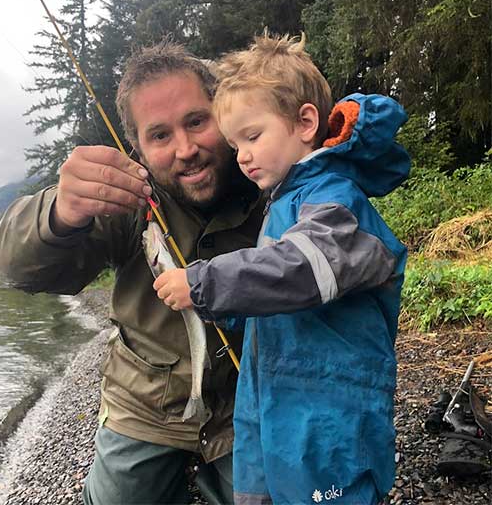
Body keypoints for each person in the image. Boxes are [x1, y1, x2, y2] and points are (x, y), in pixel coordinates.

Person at [0, 40, 265, 505]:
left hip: (252, 405)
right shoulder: (126, 199)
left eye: (197, 121)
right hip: (144, 405)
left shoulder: (269, 175)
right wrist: (58, 211)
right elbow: (12, 266)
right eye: (159, 136)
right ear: (136, 148)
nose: (186, 149)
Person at [155, 32, 411, 505]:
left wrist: (204, 282)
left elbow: (304, 269)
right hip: (270, 401)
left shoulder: (335, 200)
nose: (243, 155)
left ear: (305, 122)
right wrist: (226, 309)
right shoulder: (284, 202)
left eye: (252, 136)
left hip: (328, 412)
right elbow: (276, 296)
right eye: (235, 145)